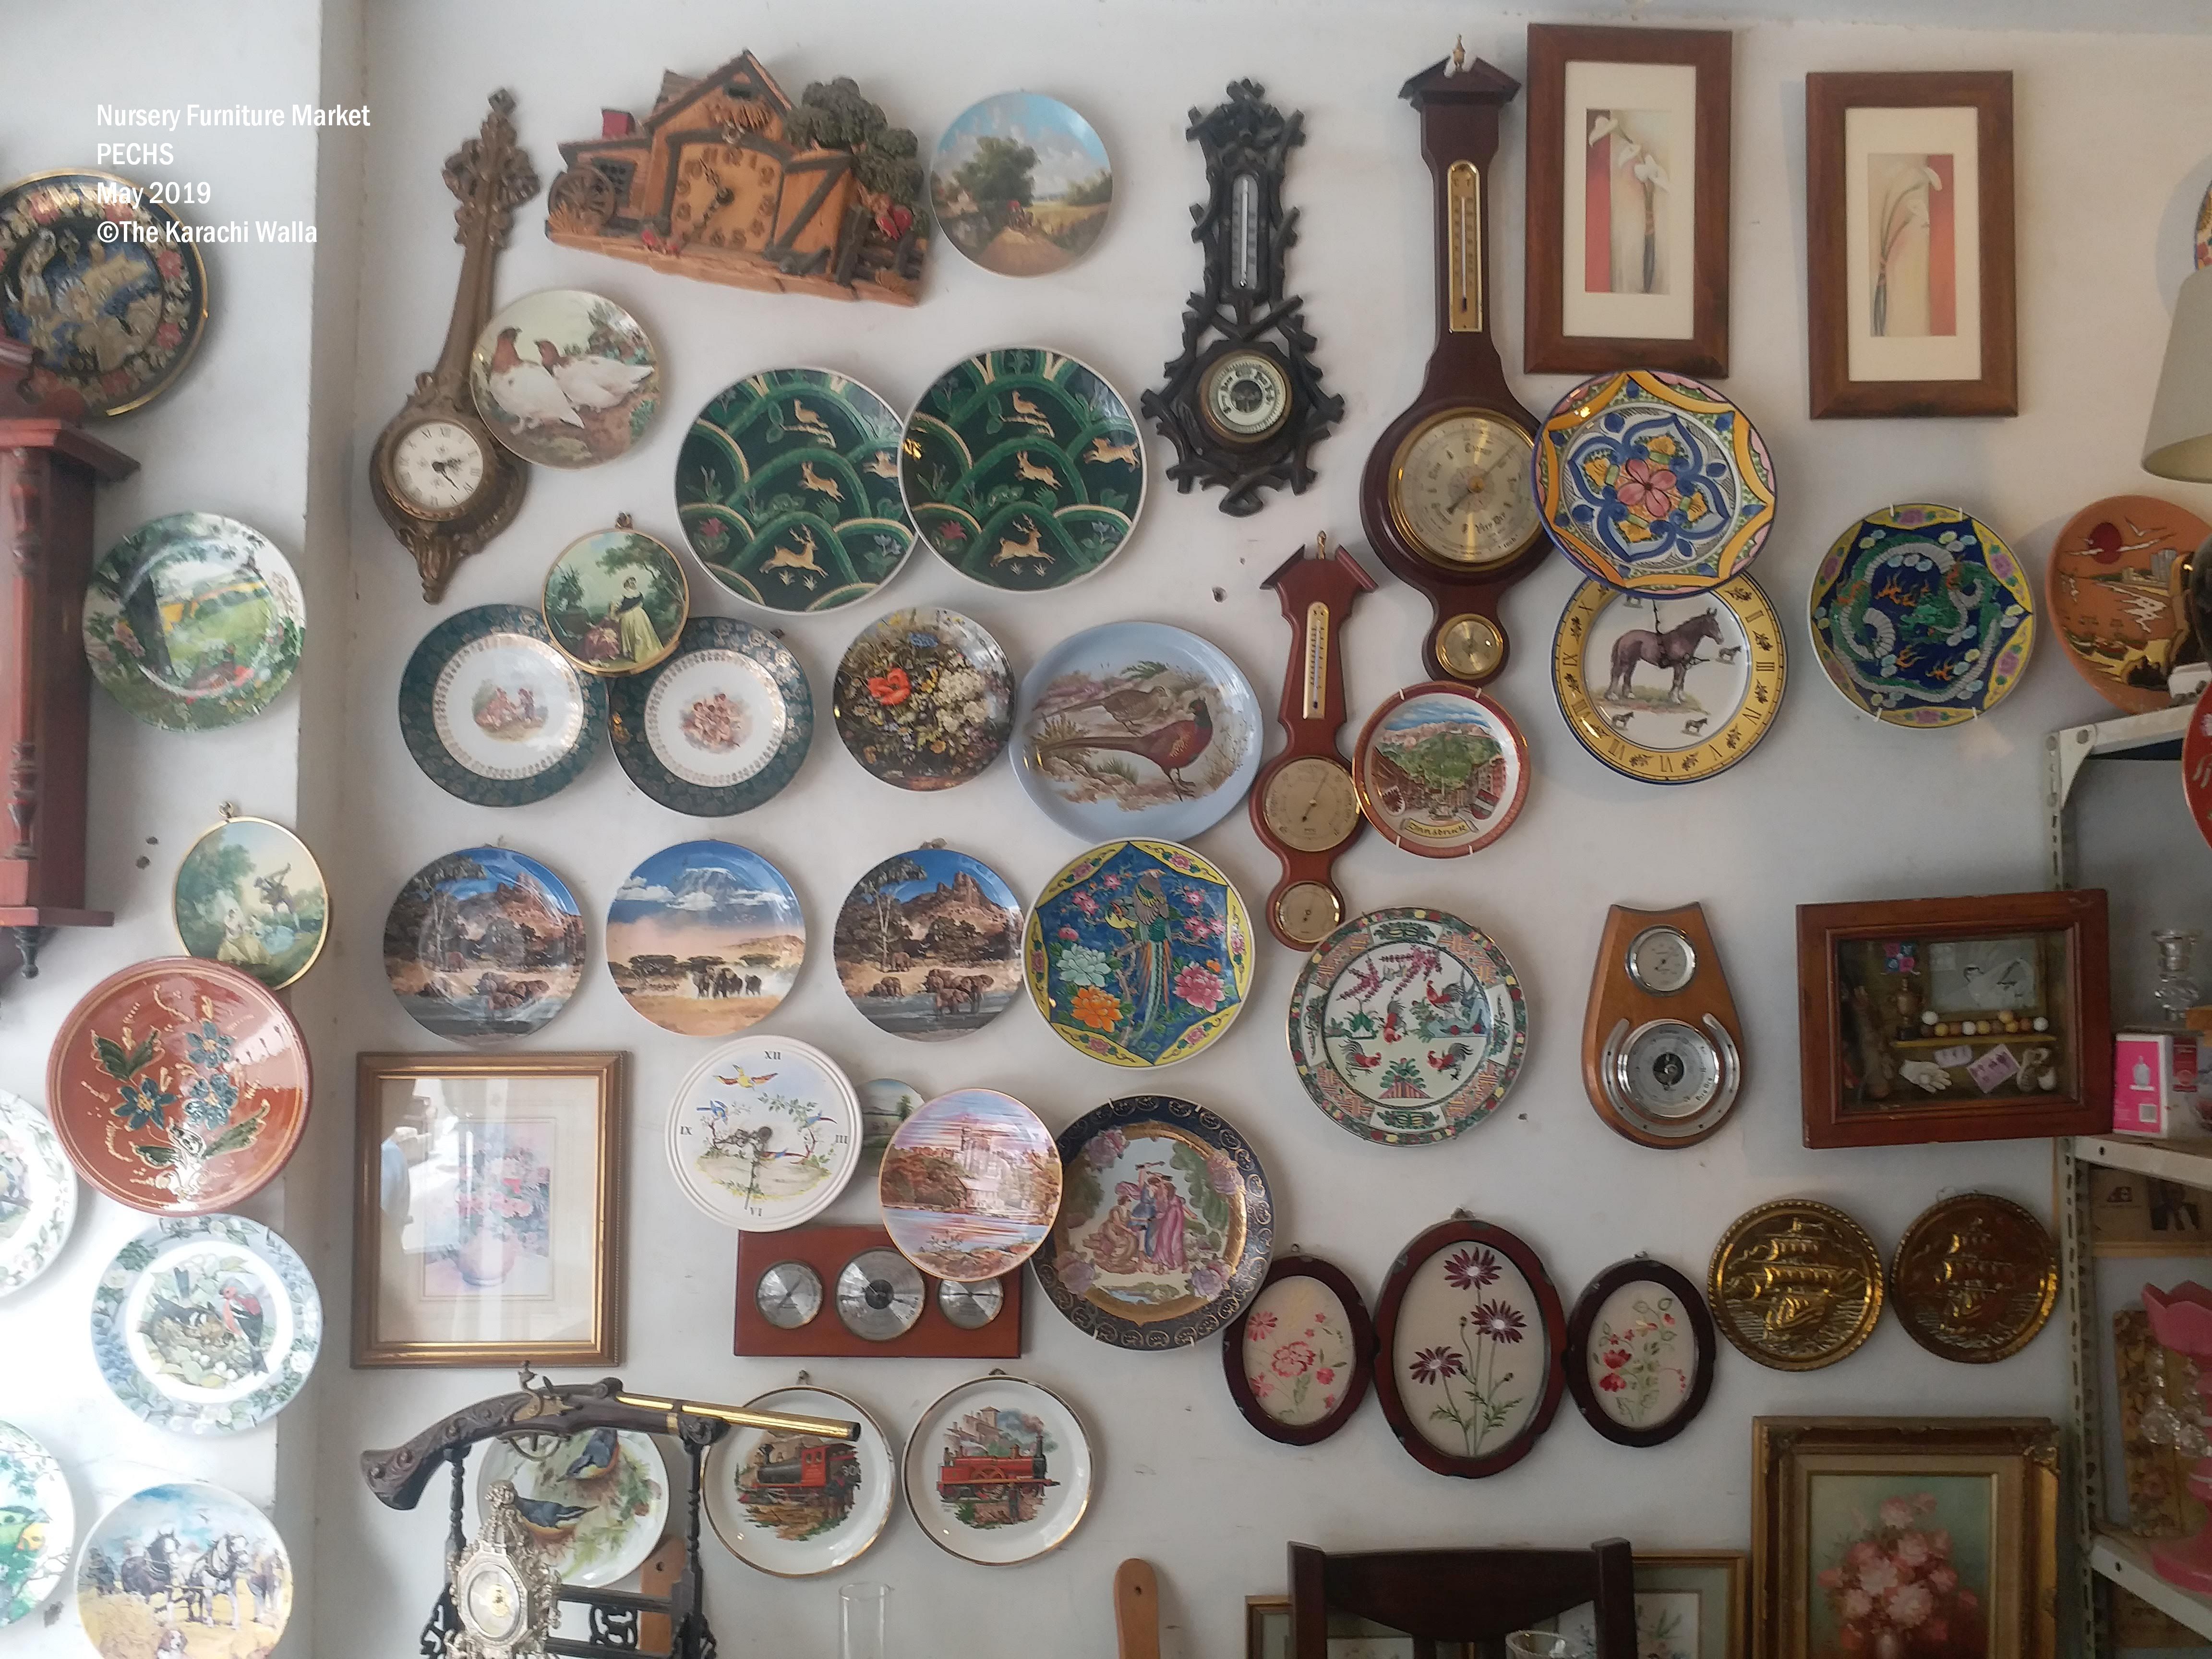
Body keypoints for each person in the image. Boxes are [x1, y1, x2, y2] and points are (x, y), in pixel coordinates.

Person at [609, 575, 662, 667]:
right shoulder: (625, 594)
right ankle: (634, 653)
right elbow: (621, 606)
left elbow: (629, 606)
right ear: (628, 584)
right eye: (631, 582)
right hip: (632, 615)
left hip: (637, 615)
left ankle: (642, 652)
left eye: (634, 582)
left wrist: (619, 611)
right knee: (634, 633)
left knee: (642, 632)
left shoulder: (637, 594)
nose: (633, 584)